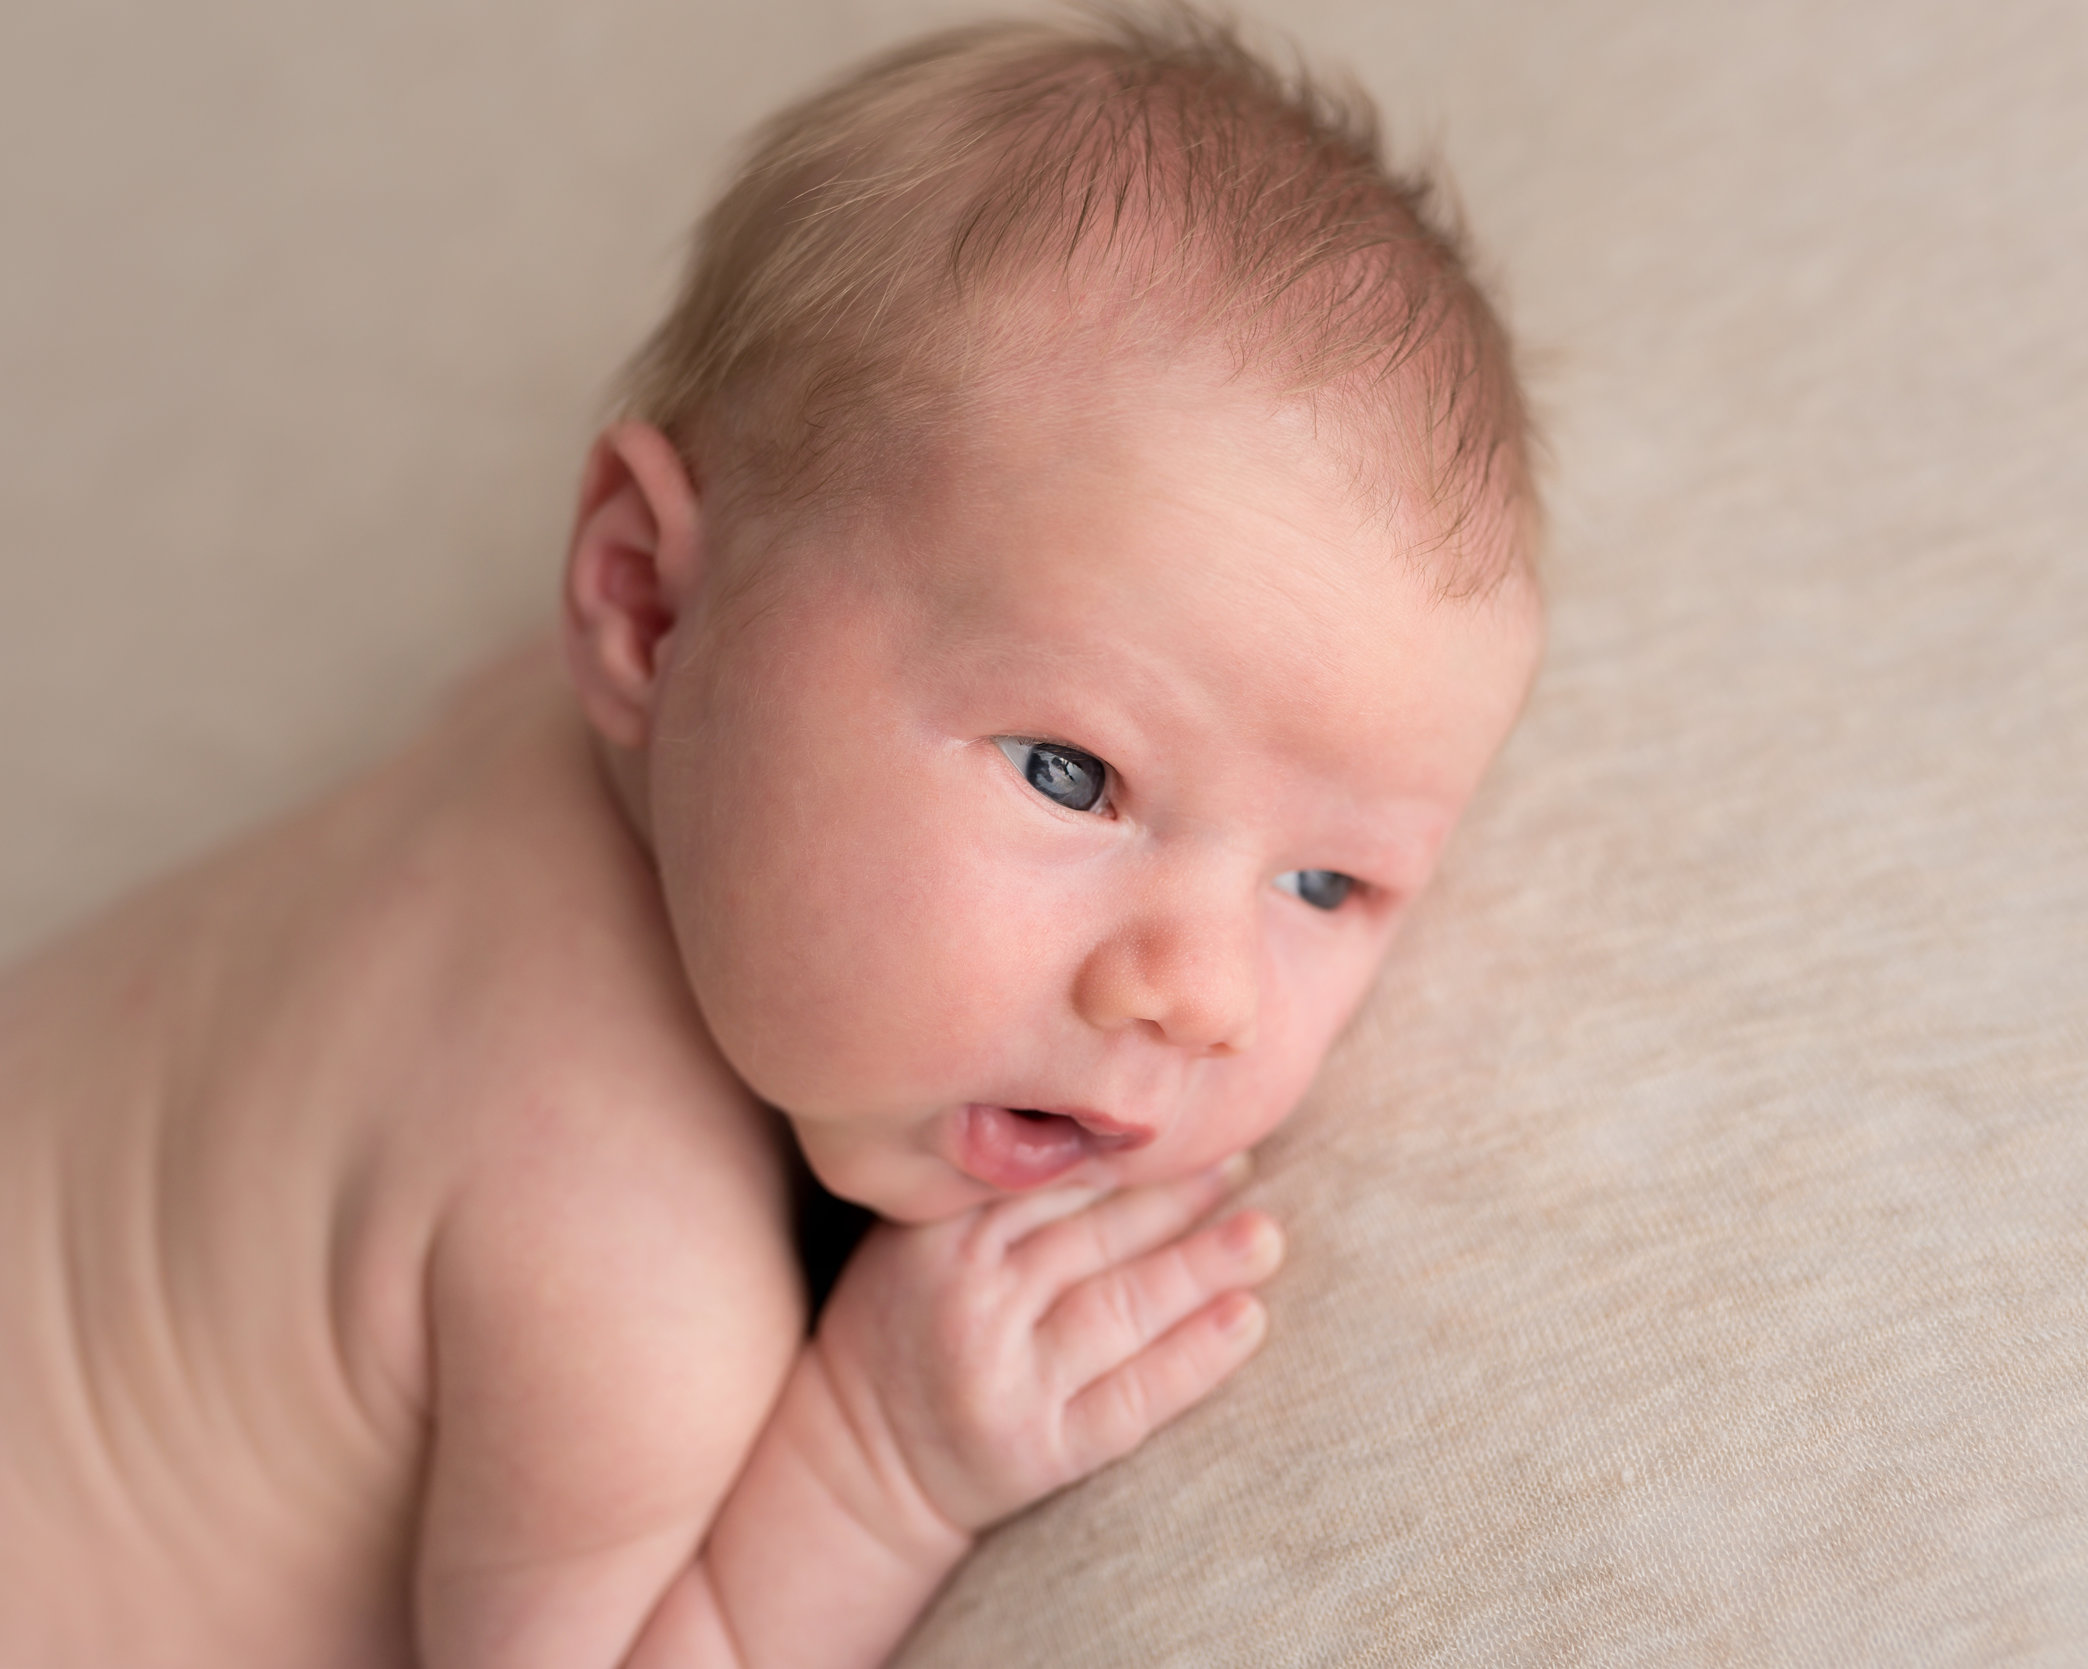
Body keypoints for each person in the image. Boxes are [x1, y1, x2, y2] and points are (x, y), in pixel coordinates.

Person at [0, 9, 1542, 1664]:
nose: (1200, 992)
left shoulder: (536, 721)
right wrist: (874, 1466)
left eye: (1325, 881)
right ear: (649, 605)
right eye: (1073, 775)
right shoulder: (622, 1257)